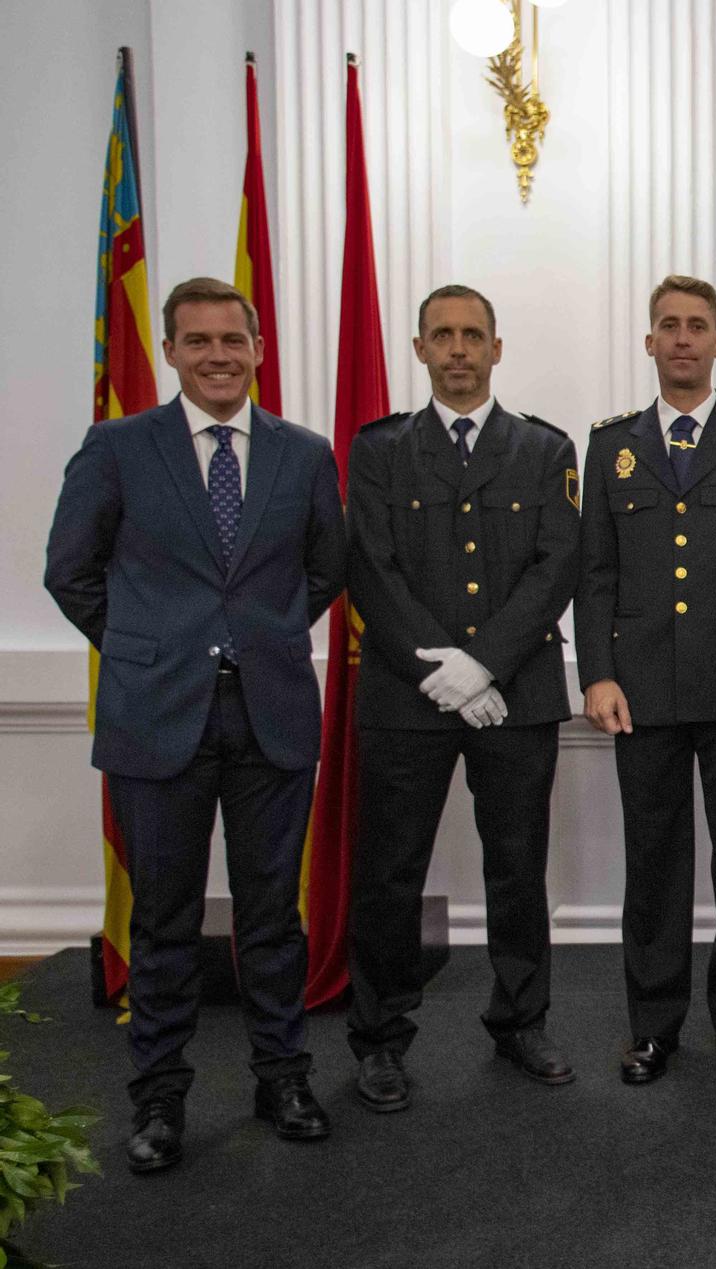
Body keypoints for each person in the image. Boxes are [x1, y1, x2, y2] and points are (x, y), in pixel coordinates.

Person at [45, 277, 346, 1172]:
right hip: (157, 716)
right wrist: (147, 645)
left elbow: (323, 571)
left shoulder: (303, 453)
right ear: (171, 351)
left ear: (258, 349)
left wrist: (257, 639)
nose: (217, 355)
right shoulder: (117, 447)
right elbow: (71, 572)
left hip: (272, 716)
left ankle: (283, 1077)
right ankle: (159, 1100)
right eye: (198, 340)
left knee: (271, 920)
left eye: (233, 340)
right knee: (166, 922)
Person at [343, 284, 582, 1107]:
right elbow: (371, 567)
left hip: (515, 693)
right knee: (389, 872)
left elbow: (555, 568)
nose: (457, 349)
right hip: (405, 698)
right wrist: (437, 671)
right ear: (419, 350)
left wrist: (481, 666)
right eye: (440, 335)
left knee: (518, 867)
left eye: (471, 335)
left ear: (496, 348)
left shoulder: (545, 450)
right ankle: (378, 1037)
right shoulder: (378, 450)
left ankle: (521, 1020)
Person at [575, 275, 716, 1085]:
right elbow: (594, 574)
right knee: (655, 862)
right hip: (642, 691)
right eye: (668, 326)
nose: (681, 338)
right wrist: (597, 674)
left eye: (696, 326)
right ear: (649, 342)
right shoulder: (612, 444)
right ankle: (654, 1025)